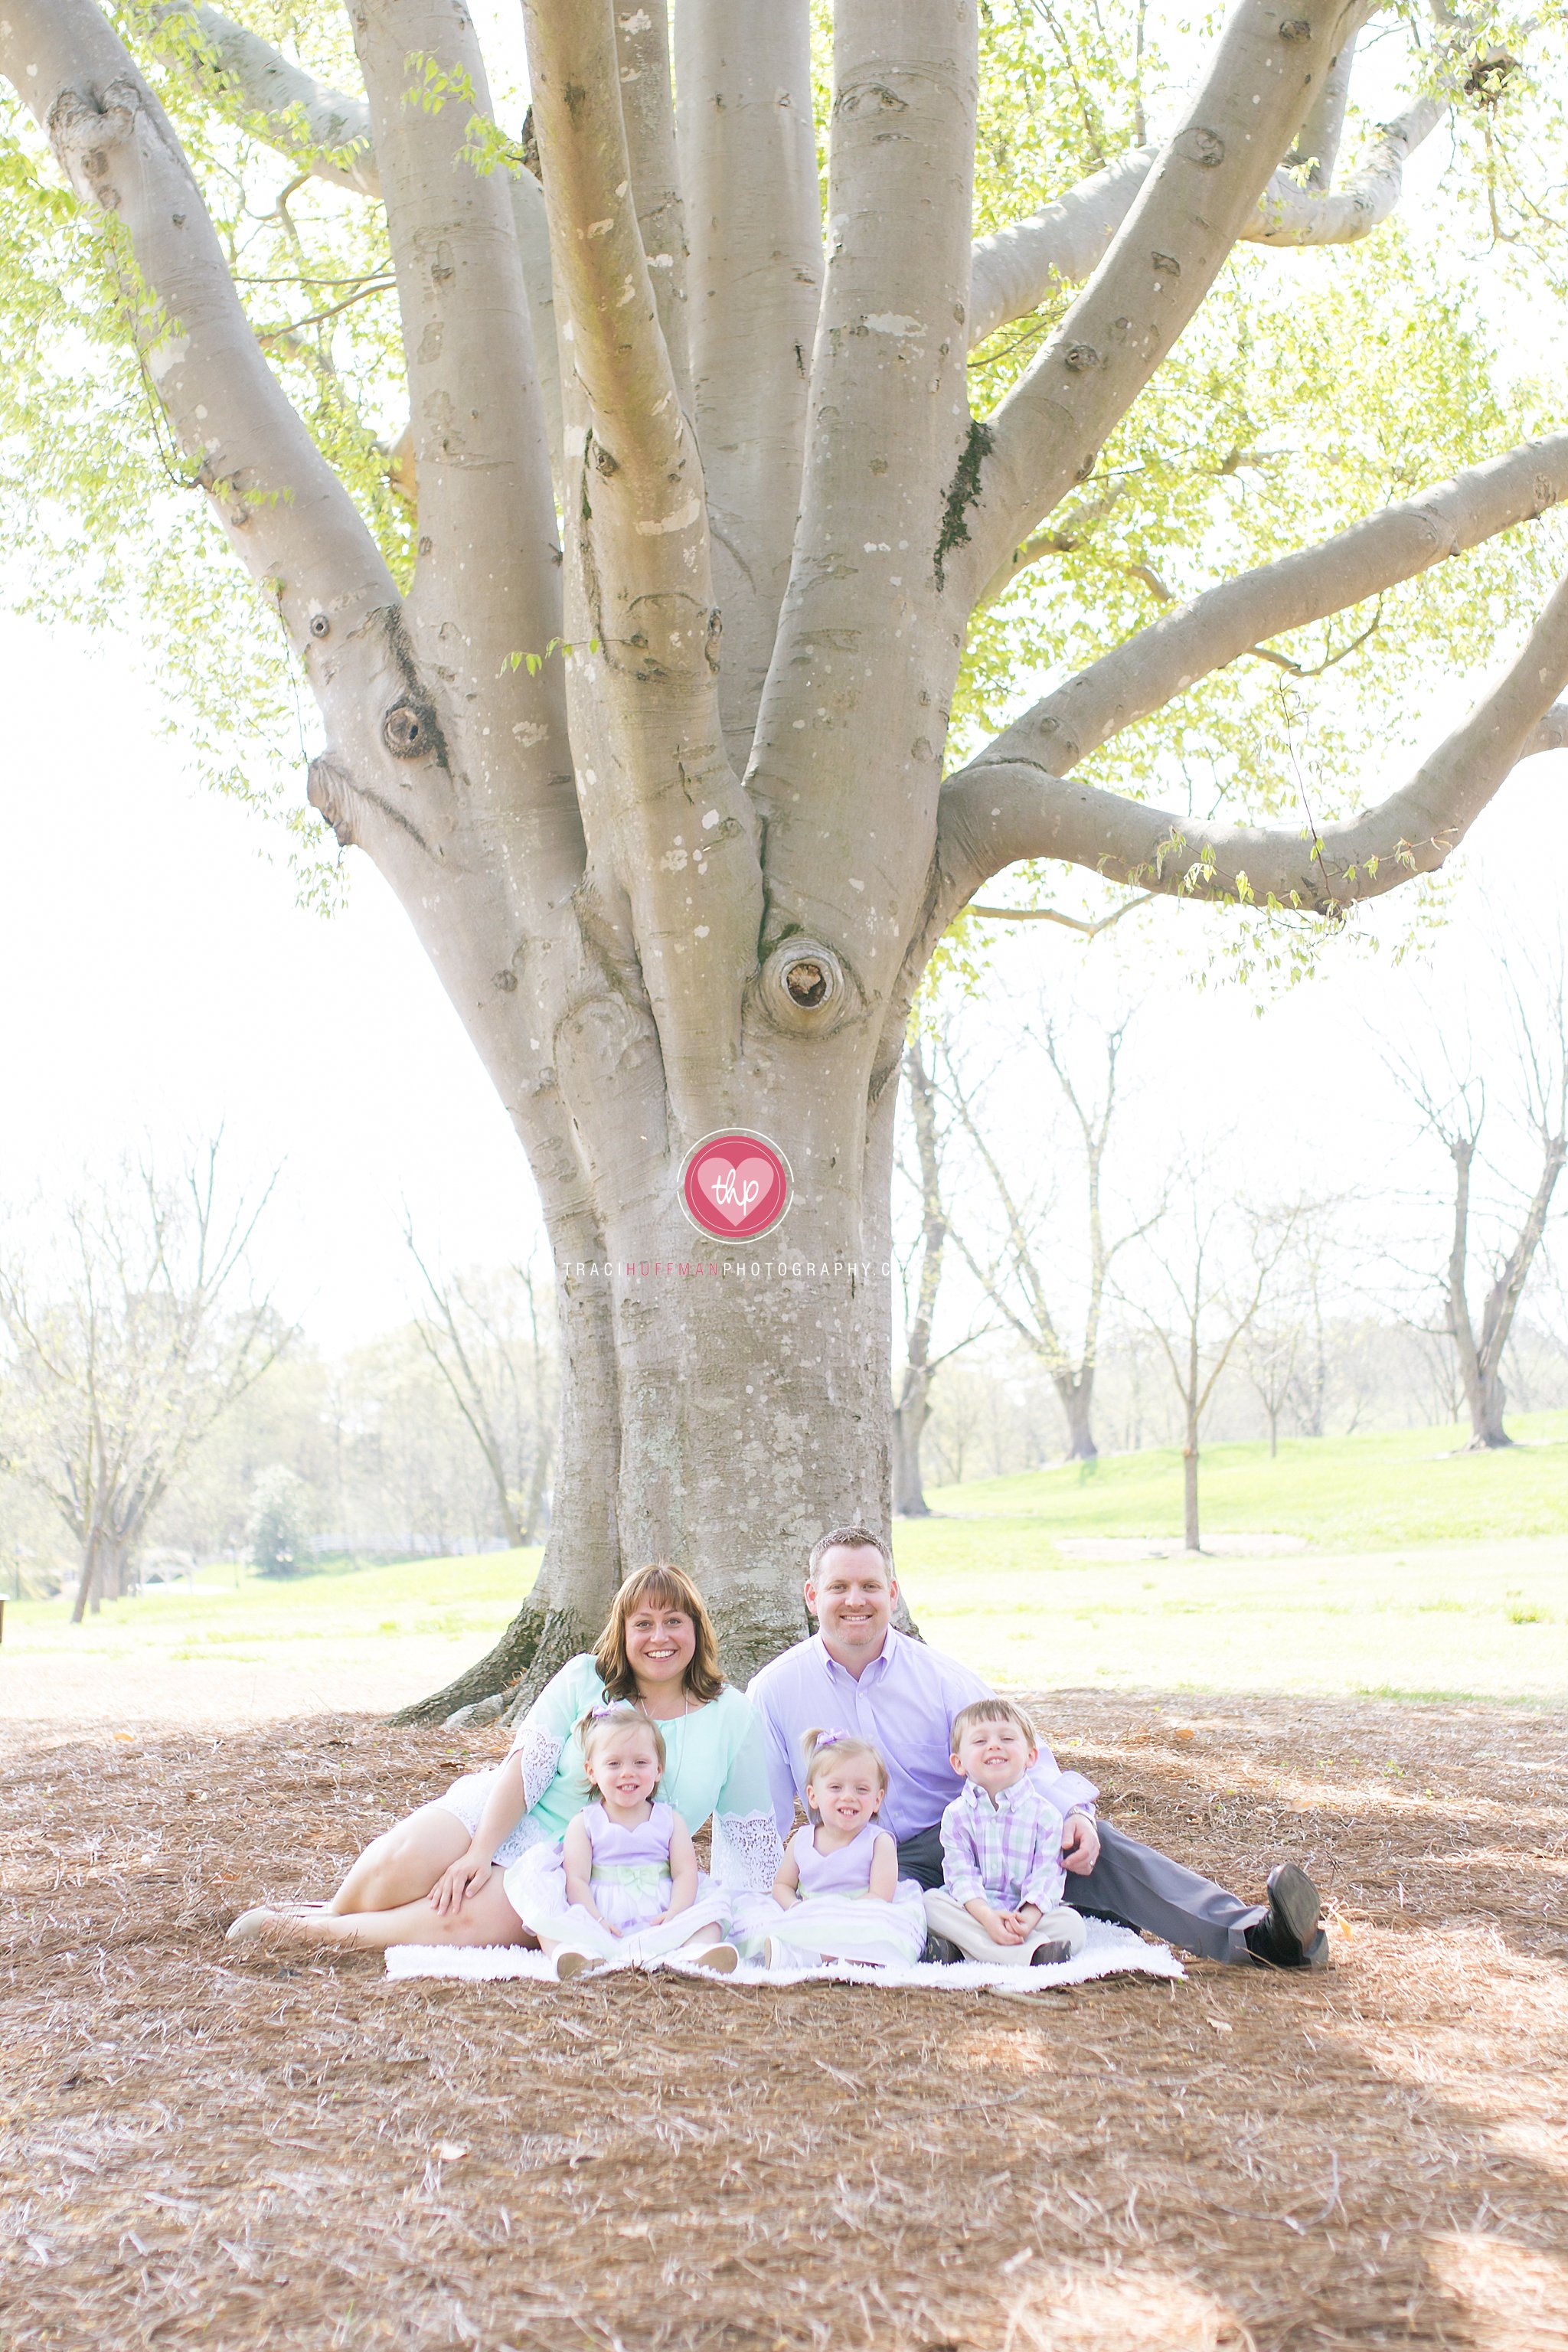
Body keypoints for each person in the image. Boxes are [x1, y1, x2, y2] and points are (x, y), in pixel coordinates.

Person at [746, 1527, 1328, 1971]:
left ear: (892, 1594)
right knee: (912, 1913)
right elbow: (761, 1808)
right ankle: (996, 1935)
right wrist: (755, 1903)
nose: (856, 1600)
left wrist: (1075, 1814)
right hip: (860, 1861)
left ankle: (1257, 1937)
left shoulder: (942, 1678)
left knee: (1084, 1846)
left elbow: (1024, 1753)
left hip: (958, 1836)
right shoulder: (775, 1690)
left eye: (870, 1586)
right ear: (811, 1595)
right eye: (839, 1587)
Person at [227, 1564, 783, 1951]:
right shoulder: (584, 1678)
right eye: (643, 1624)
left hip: (584, 1866)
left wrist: (748, 1915)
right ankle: (328, 1911)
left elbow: (749, 1832)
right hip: (509, 1814)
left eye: (673, 1623)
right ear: (623, 1631)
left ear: (696, 1631)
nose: (658, 1638)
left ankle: (314, 1935)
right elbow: (528, 1766)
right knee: (399, 1864)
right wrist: (479, 1851)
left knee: (457, 1916)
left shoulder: (731, 1715)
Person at [510, 1703, 739, 1978]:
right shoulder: (584, 1823)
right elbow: (577, 1880)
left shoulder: (670, 1820)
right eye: (614, 1764)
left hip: (662, 1914)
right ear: (592, 1772)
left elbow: (685, 1872)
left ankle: (694, 1952)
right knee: (547, 1915)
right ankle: (575, 1954)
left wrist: (677, 1912)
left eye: (640, 1763)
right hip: (600, 1915)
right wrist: (594, 1918)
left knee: (713, 1908)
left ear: (658, 1770)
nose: (627, 1772)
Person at [923, 1697, 1089, 1968]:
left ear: (1031, 1756)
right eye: (979, 1741)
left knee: (1073, 1926)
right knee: (930, 1904)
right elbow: (960, 1875)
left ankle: (966, 1950)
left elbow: (1048, 1875)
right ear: (958, 1763)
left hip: (1026, 1912)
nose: (994, 1745)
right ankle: (1031, 1956)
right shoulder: (956, 1815)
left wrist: (1027, 1918)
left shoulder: (1045, 1815)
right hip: (975, 1911)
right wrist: (988, 1917)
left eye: (1007, 1738)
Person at [751, 1729, 927, 1971]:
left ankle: (810, 1957)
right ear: (813, 1796)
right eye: (835, 1788)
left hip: (860, 1915)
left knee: (881, 1932)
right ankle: (794, 1949)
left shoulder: (879, 1842)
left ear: (877, 1800)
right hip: (810, 1915)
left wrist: (837, 1915)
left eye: (862, 1790)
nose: (848, 1797)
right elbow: (782, 1885)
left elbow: (880, 1896)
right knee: (757, 1914)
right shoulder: (802, 1841)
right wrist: (795, 1908)